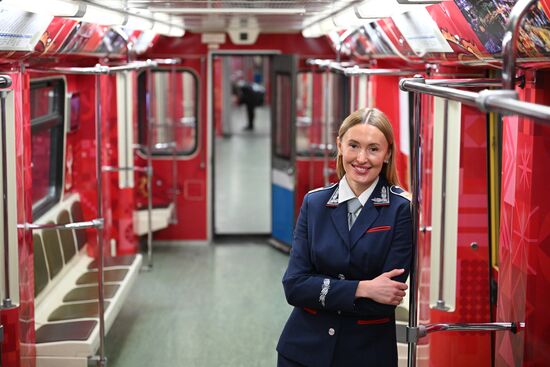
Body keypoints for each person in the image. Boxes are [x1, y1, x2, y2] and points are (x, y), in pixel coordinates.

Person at [276, 107, 413, 367]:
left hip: (365, 355)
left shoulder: (400, 210)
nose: (361, 158)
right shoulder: (314, 203)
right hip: (302, 352)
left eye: (373, 149)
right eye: (353, 145)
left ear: (387, 154)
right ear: (339, 145)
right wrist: (363, 288)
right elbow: (294, 286)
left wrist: (320, 291)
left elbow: (385, 301)